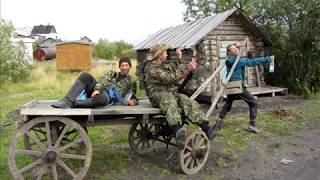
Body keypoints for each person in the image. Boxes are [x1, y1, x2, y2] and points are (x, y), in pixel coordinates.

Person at [143, 44, 217, 150]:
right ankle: (178, 133)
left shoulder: (161, 65)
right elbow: (169, 78)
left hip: (169, 94)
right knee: (170, 102)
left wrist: (178, 57)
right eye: (165, 52)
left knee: (186, 100)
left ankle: (206, 128)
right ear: (159, 55)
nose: (166, 54)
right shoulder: (152, 69)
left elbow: (171, 67)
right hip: (157, 96)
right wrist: (187, 68)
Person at [214, 42, 275, 134]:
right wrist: (268, 59)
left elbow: (230, 58)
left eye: (236, 48)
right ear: (229, 53)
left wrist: (237, 46)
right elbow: (253, 62)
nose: (236, 49)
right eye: (233, 49)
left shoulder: (231, 60)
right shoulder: (236, 61)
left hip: (230, 86)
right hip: (237, 87)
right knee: (253, 103)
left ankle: (219, 121)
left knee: (228, 104)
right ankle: (252, 126)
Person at [52, 57, 138, 108]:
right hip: (100, 90)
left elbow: (134, 96)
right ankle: (67, 100)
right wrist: (97, 89)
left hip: (108, 98)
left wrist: (133, 101)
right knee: (85, 76)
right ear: (119, 67)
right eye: (122, 65)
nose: (124, 67)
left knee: (102, 98)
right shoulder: (112, 74)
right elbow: (103, 80)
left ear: (130, 66)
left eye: (126, 65)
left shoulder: (132, 81)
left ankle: (74, 104)